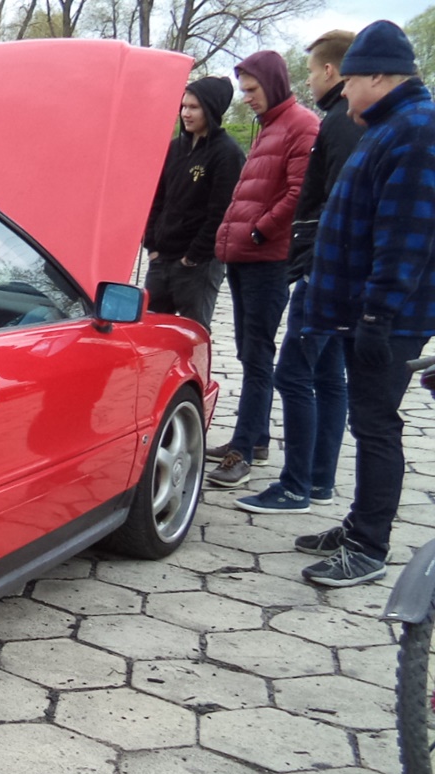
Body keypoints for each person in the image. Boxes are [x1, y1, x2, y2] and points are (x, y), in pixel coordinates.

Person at [294, 20, 435, 586]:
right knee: (366, 420)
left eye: (350, 81)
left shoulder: (418, 130)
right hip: (364, 312)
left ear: (379, 75)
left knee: (377, 425)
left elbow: (407, 234)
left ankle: (369, 547)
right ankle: (357, 524)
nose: (343, 91)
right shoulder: (390, 125)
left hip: (388, 318)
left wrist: (378, 314)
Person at [236, 30, 365, 515]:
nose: (307, 79)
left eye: (311, 70)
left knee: (293, 373)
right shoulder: (342, 120)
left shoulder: (337, 123)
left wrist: (309, 265)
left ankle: (295, 487)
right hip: (333, 272)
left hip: (324, 273)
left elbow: (327, 202)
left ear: (331, 71)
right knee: (329, 376)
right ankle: (320, 480)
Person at [205, 49, 320, 489]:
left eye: (252, 90)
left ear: (272, 83)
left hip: (266, 260)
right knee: (249, 352)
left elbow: (298, 193)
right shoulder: (271, 126)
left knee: (256, 357)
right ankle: (254, 438)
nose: (247, 98)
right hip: (244, 258)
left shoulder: (301, 126)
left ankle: (241, 452)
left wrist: (259, 231)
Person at [142, 76, 244, 330]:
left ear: (211, 109)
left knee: (192, 333)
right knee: (148, 330)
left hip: (197, 265)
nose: (186, 113)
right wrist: (152, 243)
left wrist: (193, 257)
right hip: (161, 258)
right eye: (183, 106)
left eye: (194, 107)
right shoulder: (174, 148)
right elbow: (157, 198)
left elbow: (221, 212)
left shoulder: (227, 153)